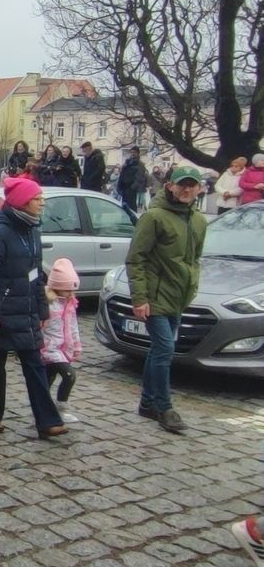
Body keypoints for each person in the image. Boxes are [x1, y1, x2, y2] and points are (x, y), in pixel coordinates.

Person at [0, 177, 68, 439]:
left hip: (26, 308)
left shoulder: (33, 230)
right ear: (22, 202)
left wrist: (42, 310)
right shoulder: (0, 232)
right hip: (3, 310)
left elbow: (37, 275)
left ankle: (47, 421)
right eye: (37, 199)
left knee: (34, 363)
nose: (42, 203)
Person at [126, 166, 206, 433]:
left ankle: (147, 403)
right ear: (170, 186)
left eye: (191, 185)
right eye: (181, 184)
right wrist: (140, 298)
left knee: (159, 350)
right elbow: (136, 259)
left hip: (178, 296)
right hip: (155, 297)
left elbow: (194, 259)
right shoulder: (154, 217)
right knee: (164, 350)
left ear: (199, 188)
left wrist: (191, 285)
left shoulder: (198, 221)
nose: (186, 189)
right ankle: (164, 407)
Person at [40, 258, 82, 423]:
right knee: (69, 375)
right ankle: (60, 407)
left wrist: (76, 345)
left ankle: (44, 407)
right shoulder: (49, 305)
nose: (71, 294)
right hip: (49, 349)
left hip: (63, 348)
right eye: (67, 290)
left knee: (48, 379)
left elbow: (73, 326)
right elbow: (40, 326)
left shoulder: (70, 304)